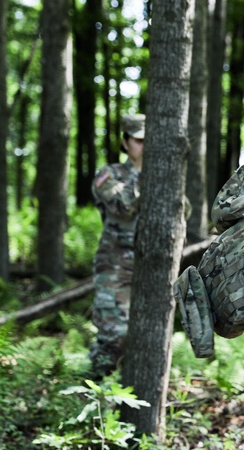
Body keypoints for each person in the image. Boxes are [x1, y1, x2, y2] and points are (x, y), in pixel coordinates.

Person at [89, 114, 146, 378]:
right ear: (125, 143)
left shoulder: (165, 177)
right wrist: (144, 175)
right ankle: (91, 396)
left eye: (149, 141)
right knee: (114, 338)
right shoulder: (109, 174)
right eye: (138, 140)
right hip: (115, 268)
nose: (144, 146)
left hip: (149, 271)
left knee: (142, 343)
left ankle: (126, 408)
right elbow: (122, 206)